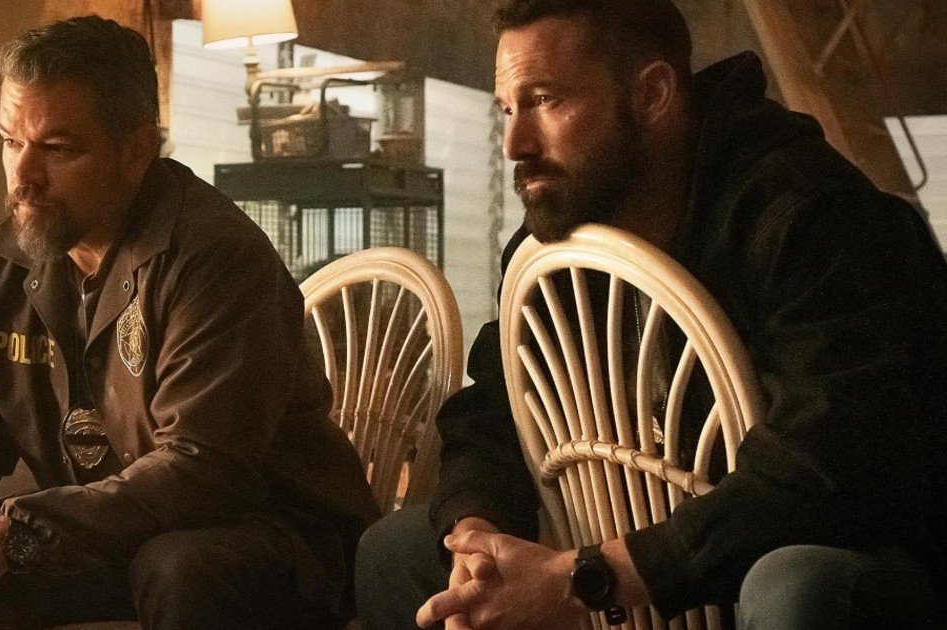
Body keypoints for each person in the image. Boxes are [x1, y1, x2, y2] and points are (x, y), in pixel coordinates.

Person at [355, 0, 947, 628]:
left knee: (795, 586)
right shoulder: (559, 240)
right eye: (507, 109)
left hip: (850, 555)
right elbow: (491, 413)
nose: (514, 144)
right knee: (395, 552)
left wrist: (584, 577)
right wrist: (477, 536)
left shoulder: (810, 217)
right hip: (643, 555)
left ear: (653, 95)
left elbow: (824, 468)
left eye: (547, 100)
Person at [0, 15, 379, 629]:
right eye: (11, 141)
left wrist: (12, 535)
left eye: (57, 149)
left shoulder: (217, 258)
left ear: (137, 151)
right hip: (95, 540)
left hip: (268, 539)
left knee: (177, 567)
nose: (23, 176)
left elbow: (202, 472)